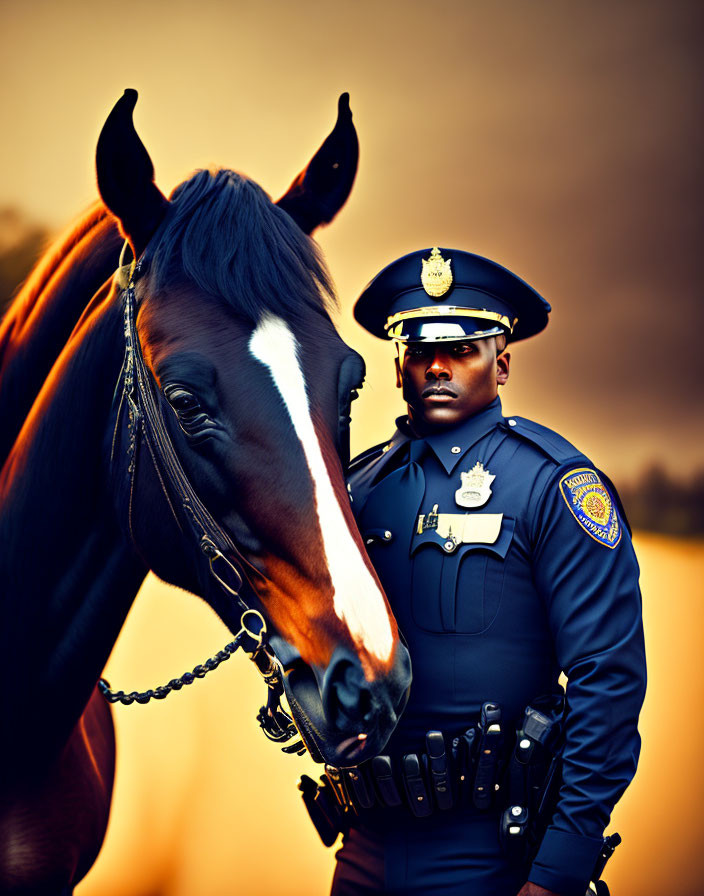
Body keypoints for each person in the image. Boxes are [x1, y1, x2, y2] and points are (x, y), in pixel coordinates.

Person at [315, 248, 646, 896]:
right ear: (397, 361)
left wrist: (558, 873)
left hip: (491, 855)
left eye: (462, 348)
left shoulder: (554, 487)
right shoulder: (352, 491)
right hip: (364, 852)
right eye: (419, 349)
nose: (437, 366)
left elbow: (608, 685)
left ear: (503, 361)